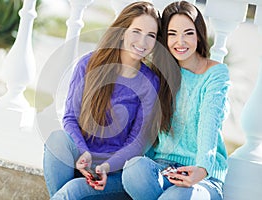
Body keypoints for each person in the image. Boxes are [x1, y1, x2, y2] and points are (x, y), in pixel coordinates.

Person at [43, 1, 180, 199]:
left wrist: (105, 167)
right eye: (136, 31)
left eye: (150, 36)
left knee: (72, 191)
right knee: (57, 140)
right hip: (81, 158)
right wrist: (83, 153)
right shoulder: (89, 64)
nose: (142, 42)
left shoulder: (150, 82)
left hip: (115, 172)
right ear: (122, 30)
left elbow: (138, 141)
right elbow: (70, 118)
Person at [122, 1, 230, 200]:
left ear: (199, 34)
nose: (180, 42)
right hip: (163, 170)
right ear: (165, 38)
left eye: (188, 33)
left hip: (204, 179)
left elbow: (210, 121)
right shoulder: (160, 73)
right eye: (172, 34)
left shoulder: (216, 74)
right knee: (134, 169)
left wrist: (202, 168)